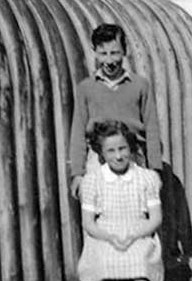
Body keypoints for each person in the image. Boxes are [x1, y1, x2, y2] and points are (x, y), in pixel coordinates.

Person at [78, 120, 164, 281]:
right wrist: (111, 238)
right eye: (111, 151)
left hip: (138, 230)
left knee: (140, 262)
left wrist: (135, 235)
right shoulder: (93, 181)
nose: (118, 156)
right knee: (103, 265)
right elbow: (88, 223)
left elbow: (155, 218)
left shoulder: (146, 178)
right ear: (102, 154)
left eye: (123, 149)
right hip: (104, 234)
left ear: (131, 148)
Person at [69, 23, 162, 199]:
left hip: (133, 157)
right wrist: (78, 173)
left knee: (137, 212)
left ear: (125, 52)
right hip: (98, 159)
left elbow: (152, 130)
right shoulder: (85, 88)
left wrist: (155, 170)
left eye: (115, 53)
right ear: (95, 52)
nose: (110, 61)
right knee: (98, 214)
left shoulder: (140, 86)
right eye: (103, 54)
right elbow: (78, 133)